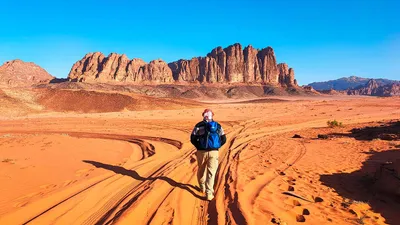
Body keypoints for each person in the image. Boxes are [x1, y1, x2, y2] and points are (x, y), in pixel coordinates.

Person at [190, 109, 226, 201]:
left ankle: (202, 187)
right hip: (214, 152)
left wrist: (199, 146)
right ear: (212, 115)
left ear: (203, 115)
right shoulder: (218, 126)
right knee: (211, 173)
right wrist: (216, 147)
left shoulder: (198, 125)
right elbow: (224, 139)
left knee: (201, 169)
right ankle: (209, 194)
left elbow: (192, 138)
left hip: (201, 152)